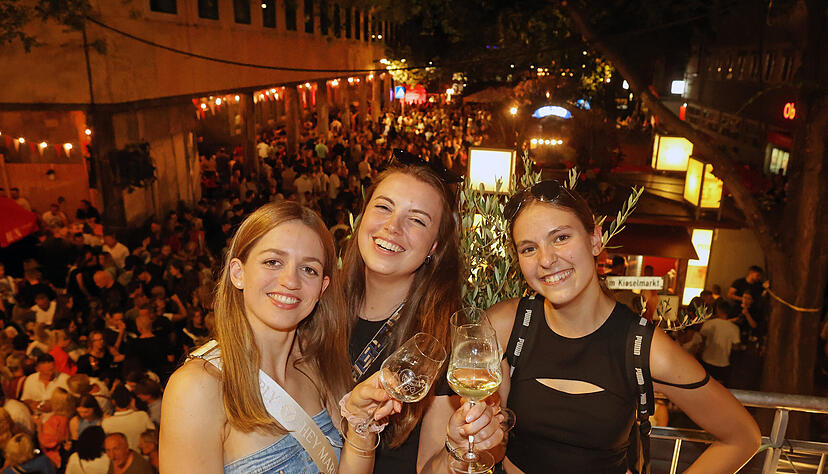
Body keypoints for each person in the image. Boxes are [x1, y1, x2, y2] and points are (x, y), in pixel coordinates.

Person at [487, 180, 760, 473]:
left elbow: (742, 438)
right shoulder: (506, 326)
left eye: (561, 237)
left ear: (595, 239)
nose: (546, 259)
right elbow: (491, 443)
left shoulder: (644, 347)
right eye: (529, 248)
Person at [160, 201, 403, 473]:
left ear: (322, 288)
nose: (290, 280)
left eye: (308, 269)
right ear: (238, 273)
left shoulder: (320, 366)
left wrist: (361, 424)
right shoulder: (196, 389)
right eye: (273, 262)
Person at [340, 150, 504, 472]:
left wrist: (456, 449)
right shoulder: (314, 305)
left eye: (416, 220)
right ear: (362, 217)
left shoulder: (441, 341)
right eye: (383, 207)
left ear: (433, 248)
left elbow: (430, 468)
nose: (392, 226)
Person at [701, 298, 742, 386]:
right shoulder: (734, 328)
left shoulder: (708, 323)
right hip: (723, 363)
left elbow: (702, 340)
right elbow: (736, 347)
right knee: (720, 389)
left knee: (705, 386)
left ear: (718, 309)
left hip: (706, 360)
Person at [101, 386, 154, 451]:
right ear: (131, 399)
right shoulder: (142, 415)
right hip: (143, 457)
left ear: (113, 402)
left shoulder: (106, 422)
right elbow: (153, 435)